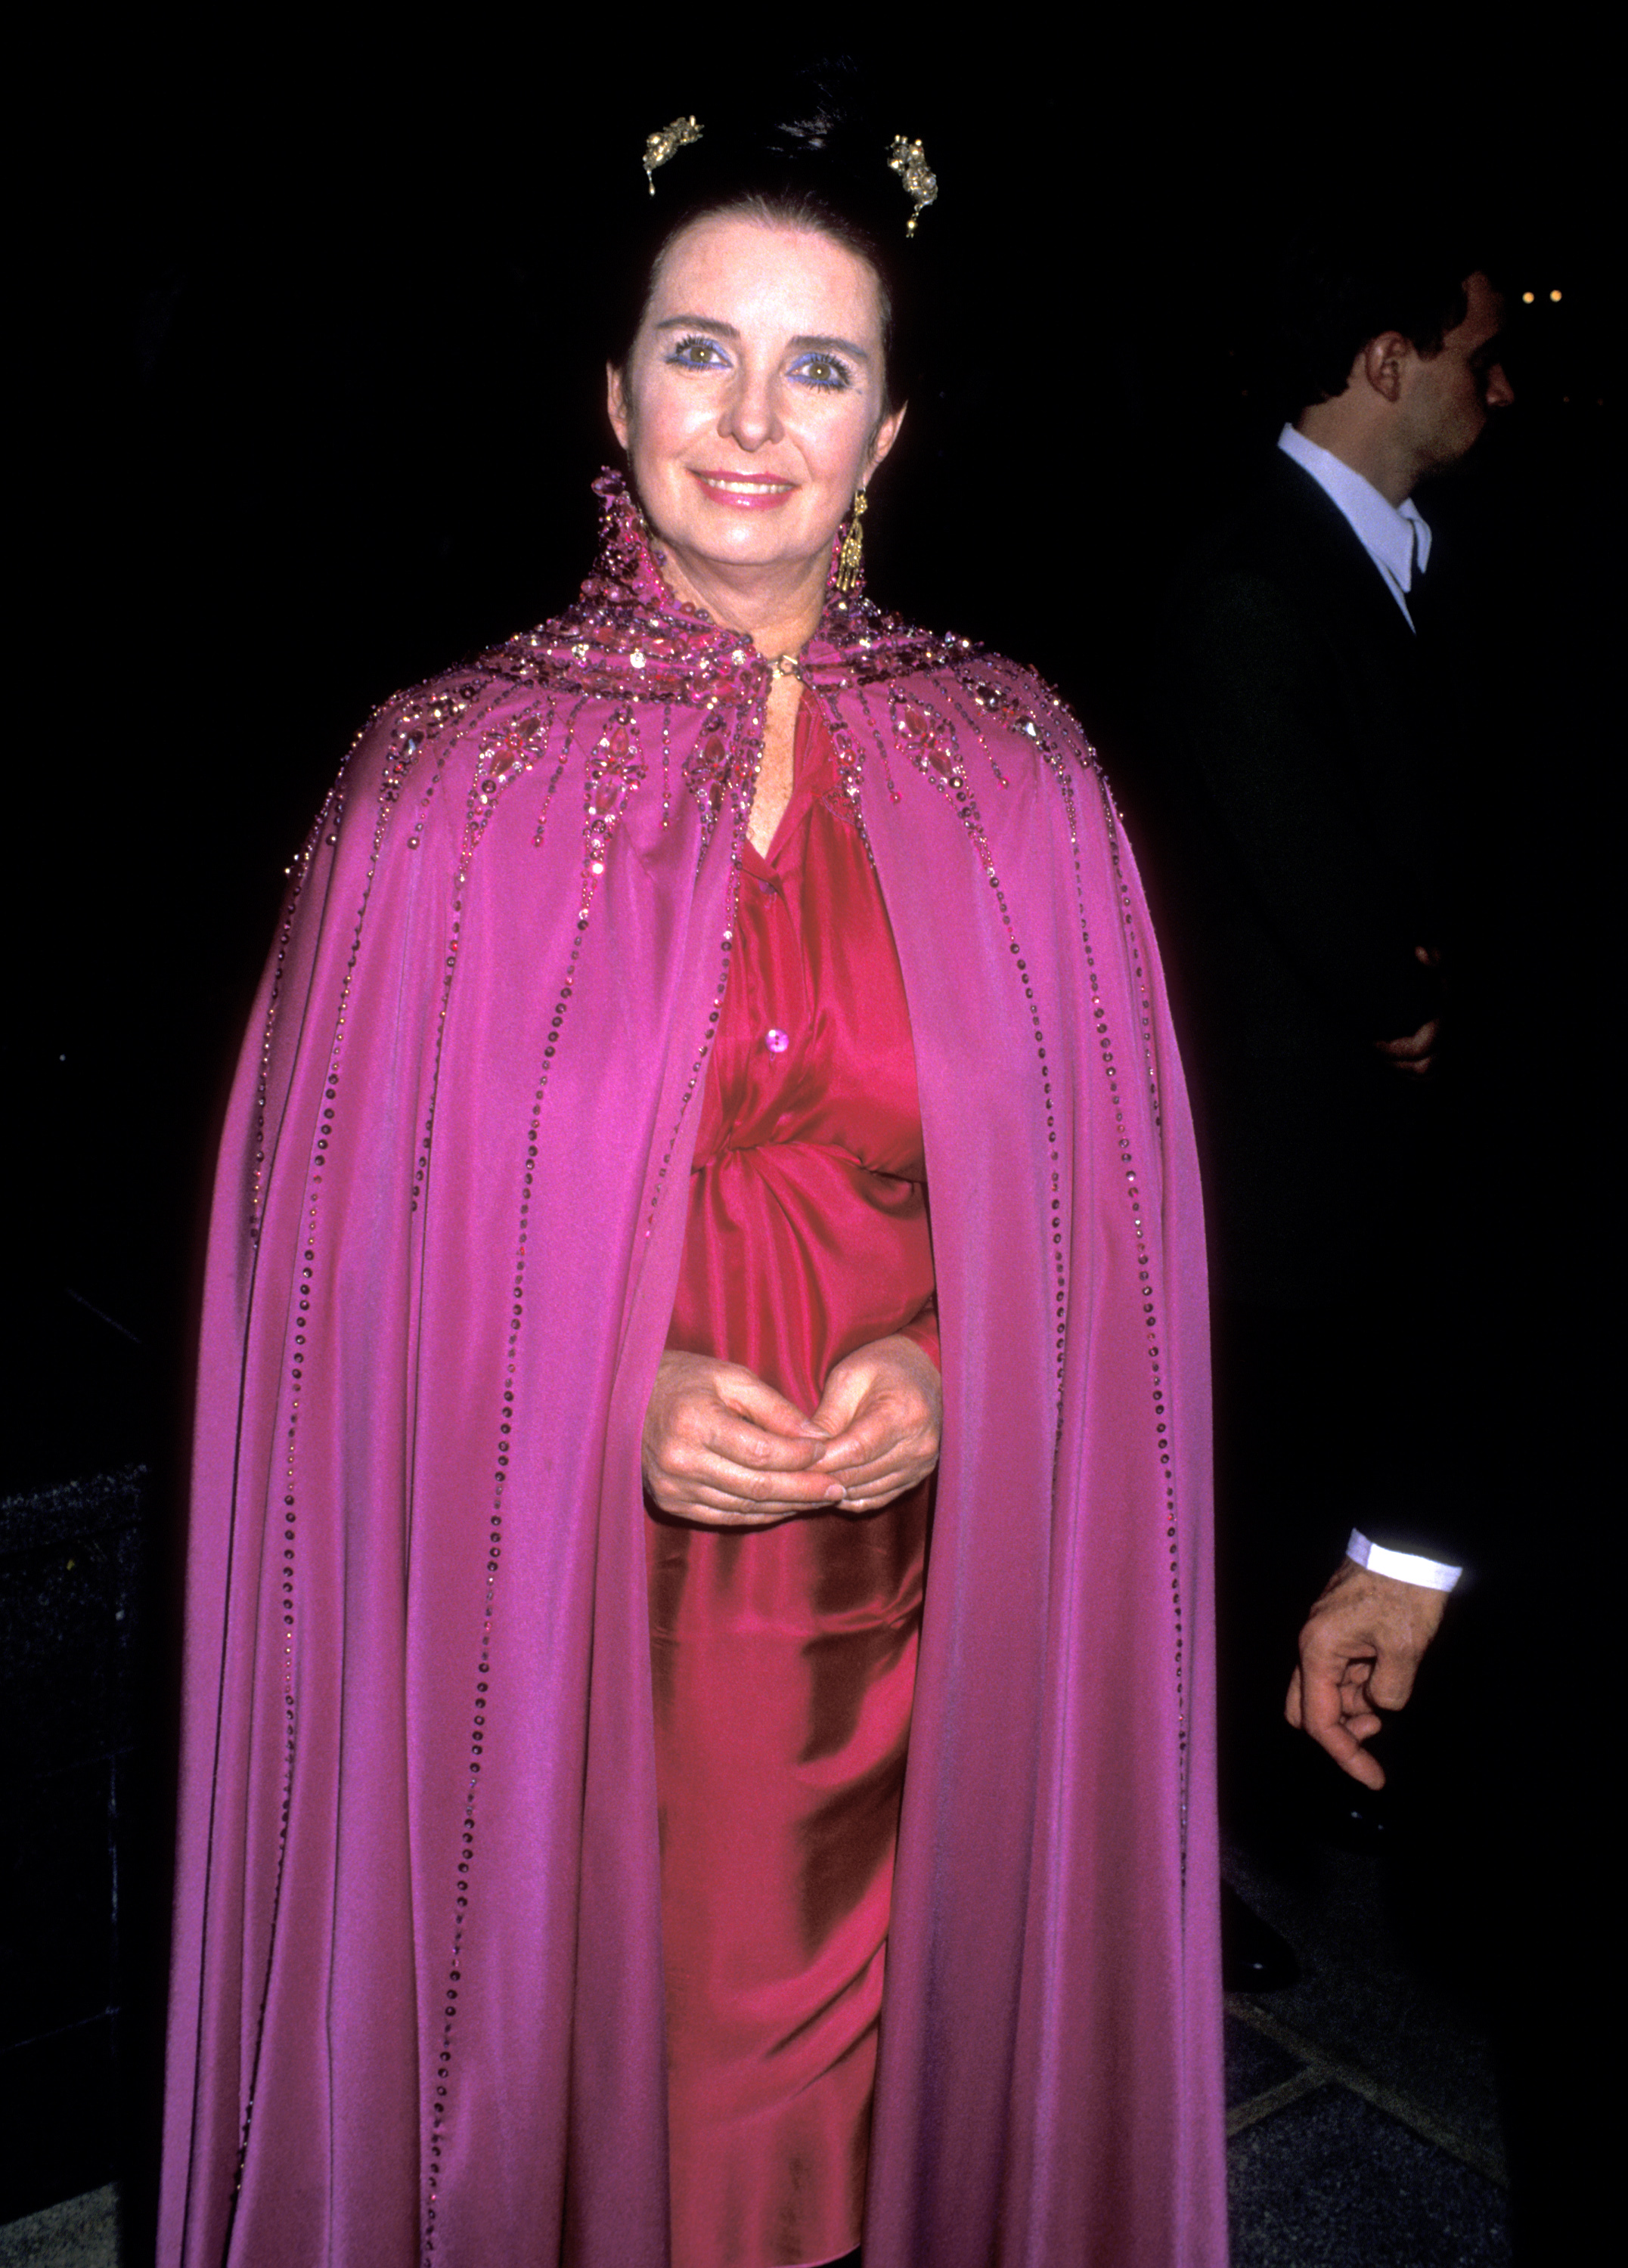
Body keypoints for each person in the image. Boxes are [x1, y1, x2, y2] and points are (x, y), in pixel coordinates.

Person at [160, 106, 1224, 2268]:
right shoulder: (435, 776)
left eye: (817, 368)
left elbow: (1113, 1245)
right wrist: (604, 1402)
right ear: (616, 391)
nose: (752, 419)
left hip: (934, 1626)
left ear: (890, 426)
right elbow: (322, 1299)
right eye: (699, 351)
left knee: (878, 2165)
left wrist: (957, 1366)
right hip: (546, 1636)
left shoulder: (1015, 761)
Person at [1155, 228, 1514, 1845]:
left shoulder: (1432, 550)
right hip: (1286, 1180)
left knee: (1350, 1506)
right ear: (1385, 360)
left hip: (1387, 1182)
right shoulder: (1257, 569)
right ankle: (1205, 1851)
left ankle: (1305, 1783)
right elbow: (1302, 856)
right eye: (1470, 354)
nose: (1495, 386)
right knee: (1248, 1523)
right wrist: (1420, 1006)